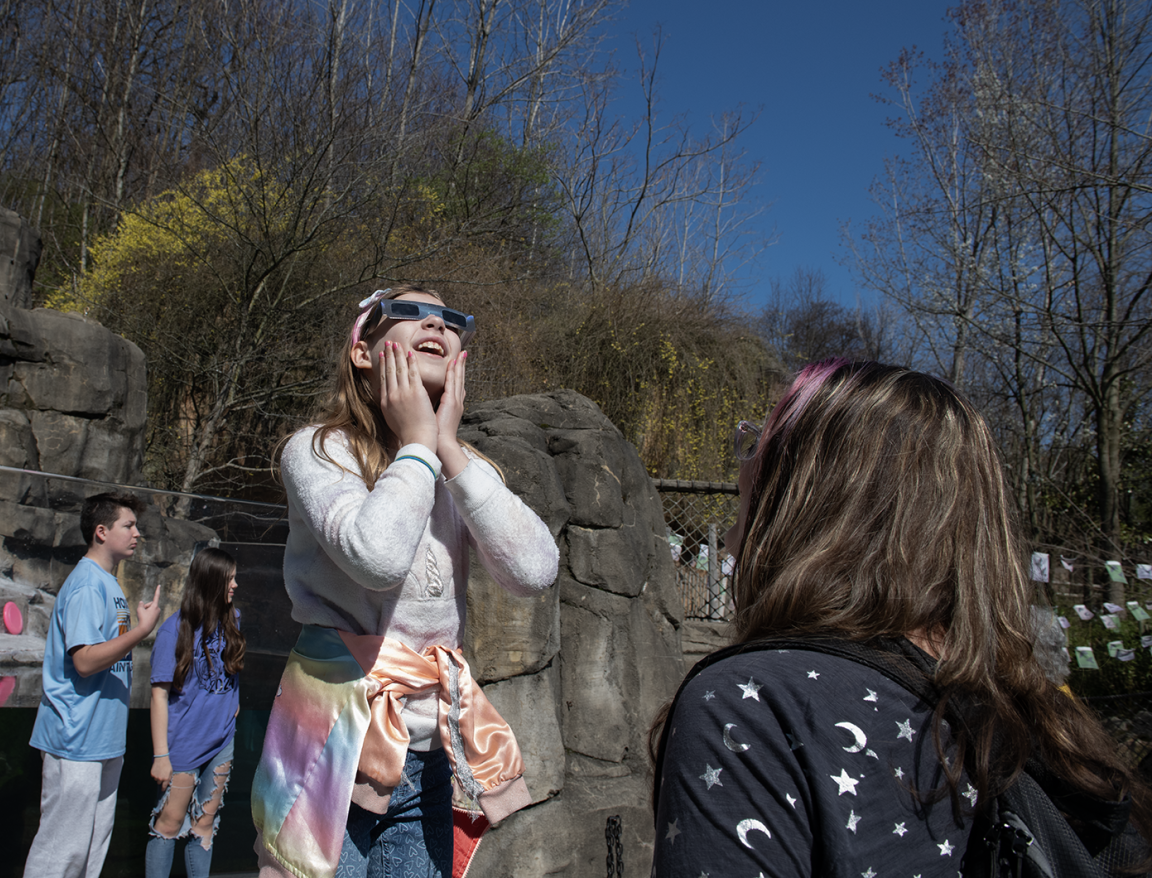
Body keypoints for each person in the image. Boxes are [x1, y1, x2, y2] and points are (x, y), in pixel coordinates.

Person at [651, 359, 1151, 877]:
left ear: (807, 491)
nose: (745, 461)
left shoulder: (748, 704)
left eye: (762, 443)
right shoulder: (1029, 712)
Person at [251, 285, 559, 878]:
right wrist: (418, 446)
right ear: (363, 352)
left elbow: (535, 570)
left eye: (449, 319)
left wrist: (447, 448)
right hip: (335, 737)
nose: (436, 324)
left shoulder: (459, 469)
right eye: (412, 313)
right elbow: (376, 556)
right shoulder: (318, 449)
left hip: (431, 750)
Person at [24, 491, 162, 878]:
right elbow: (84, 661)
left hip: (102, 739)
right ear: (101, 532)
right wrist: (141, 632)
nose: (137, 533)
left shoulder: (108, 583)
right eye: (128, 525)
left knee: (91, 849)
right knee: (60, 851)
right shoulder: (87, 584)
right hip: (75, 738)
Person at [145, 546, 245, 878]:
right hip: (182, 747)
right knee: (170, 823)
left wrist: (234, 703)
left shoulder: (234, 620)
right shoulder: (174, 631)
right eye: (229, 578)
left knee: (205, 824)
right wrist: (162, 755)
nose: (234, 585)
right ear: (212, 580)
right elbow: (158, 695)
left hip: (221, 743)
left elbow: (230, 671)